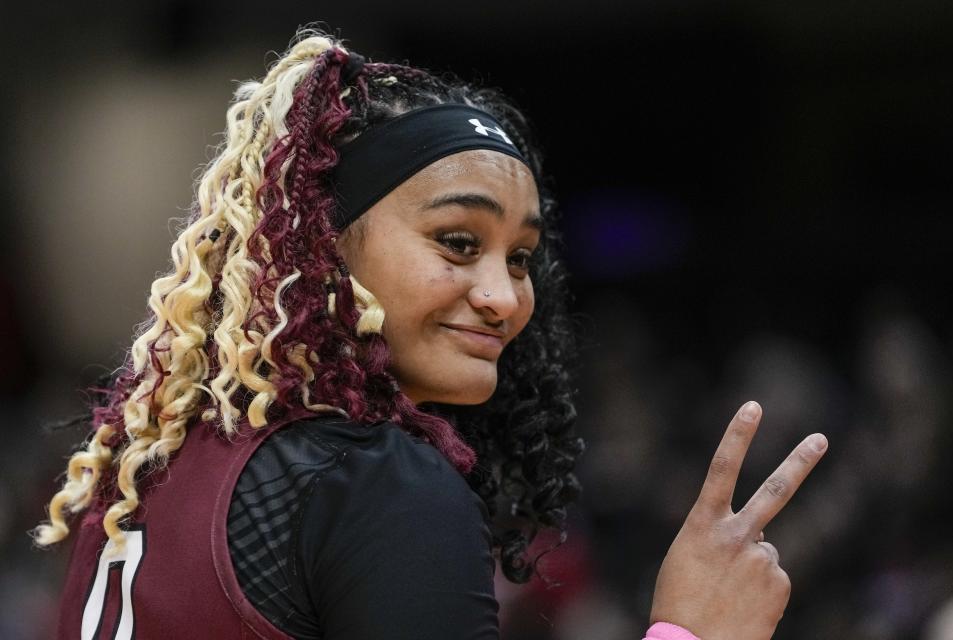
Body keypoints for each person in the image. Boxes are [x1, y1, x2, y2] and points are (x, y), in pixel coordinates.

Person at [35, 30, 828, 640]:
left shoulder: (147, 469)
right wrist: (688, 629)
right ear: (325, 244)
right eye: (457, 242)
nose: (502, 297)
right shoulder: (374, 477)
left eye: (520, 259)